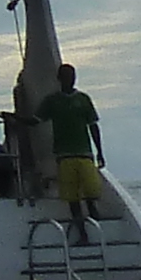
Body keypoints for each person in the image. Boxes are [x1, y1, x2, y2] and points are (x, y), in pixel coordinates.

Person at [40, 62, 108, 243]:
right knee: (73, 199)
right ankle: (82, 234)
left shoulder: (83, 99)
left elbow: (93, 126)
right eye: (66, 77)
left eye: (72, 77)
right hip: (64, 156)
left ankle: (94, 215)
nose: (70, 80)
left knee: (91, 191)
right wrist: (16, 119)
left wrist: (100, 152)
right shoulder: (52, 101)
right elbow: (36, 119)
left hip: (84, 153)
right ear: (59, 79)